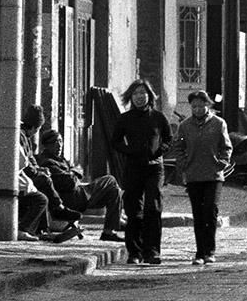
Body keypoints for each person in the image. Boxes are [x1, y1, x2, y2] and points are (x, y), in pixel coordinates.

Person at [110, 79, 173, 265]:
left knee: (153, 208)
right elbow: (116, 142)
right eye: (136, 93)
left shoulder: (158, 117)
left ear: (149, 96)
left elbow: (169, 139)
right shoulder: (125, 119)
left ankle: (152, 252)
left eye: (143, 93)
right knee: (133, 211)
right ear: (131, 97)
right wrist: (130, 151)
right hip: (133, 167)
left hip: (154, 167)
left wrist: (159, 150)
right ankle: (134, 252)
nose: (139, 97)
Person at [173, 90, 232, 266]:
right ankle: (199, 252)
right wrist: (184, 164)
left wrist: (221, 163)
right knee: (198, 214)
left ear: (209, 106)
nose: (198, 109)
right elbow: (178, 147)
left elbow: (226, 147)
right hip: (193, 176)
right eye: (194, 106)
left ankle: (210, 251)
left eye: (202, 105)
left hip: (213, 176)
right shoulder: (185, 126)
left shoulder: (218, 123)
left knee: (210, 211)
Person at [36, 129, 125, 243]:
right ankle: (116, 223)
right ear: (46, 145)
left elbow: (79, 169)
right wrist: (73, 173)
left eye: (61, 141)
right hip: (71, 200)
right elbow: (70, 182)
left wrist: (72, 172)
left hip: (78, 195)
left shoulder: (60, 160)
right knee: (110, 180)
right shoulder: (47, 162)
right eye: (55, 142)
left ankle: (108, 231)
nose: (59, 145)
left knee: (114, 191)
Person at [0, 116, 47, 241]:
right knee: (41, 199)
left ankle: (40, 229)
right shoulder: (7, 137)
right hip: (5, 181)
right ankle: (23, 229)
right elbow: (22, 162)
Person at [18, 105, 82, 225]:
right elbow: (25, 164)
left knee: (44, 183)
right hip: (20, 177)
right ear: (35, 127)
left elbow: (31, 160)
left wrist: (39, 168)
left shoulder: (26, 138)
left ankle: (45, 225)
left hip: (25, 175)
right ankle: (58, 209)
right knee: (44, 181)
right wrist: (38, 172)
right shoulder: (20, 137)